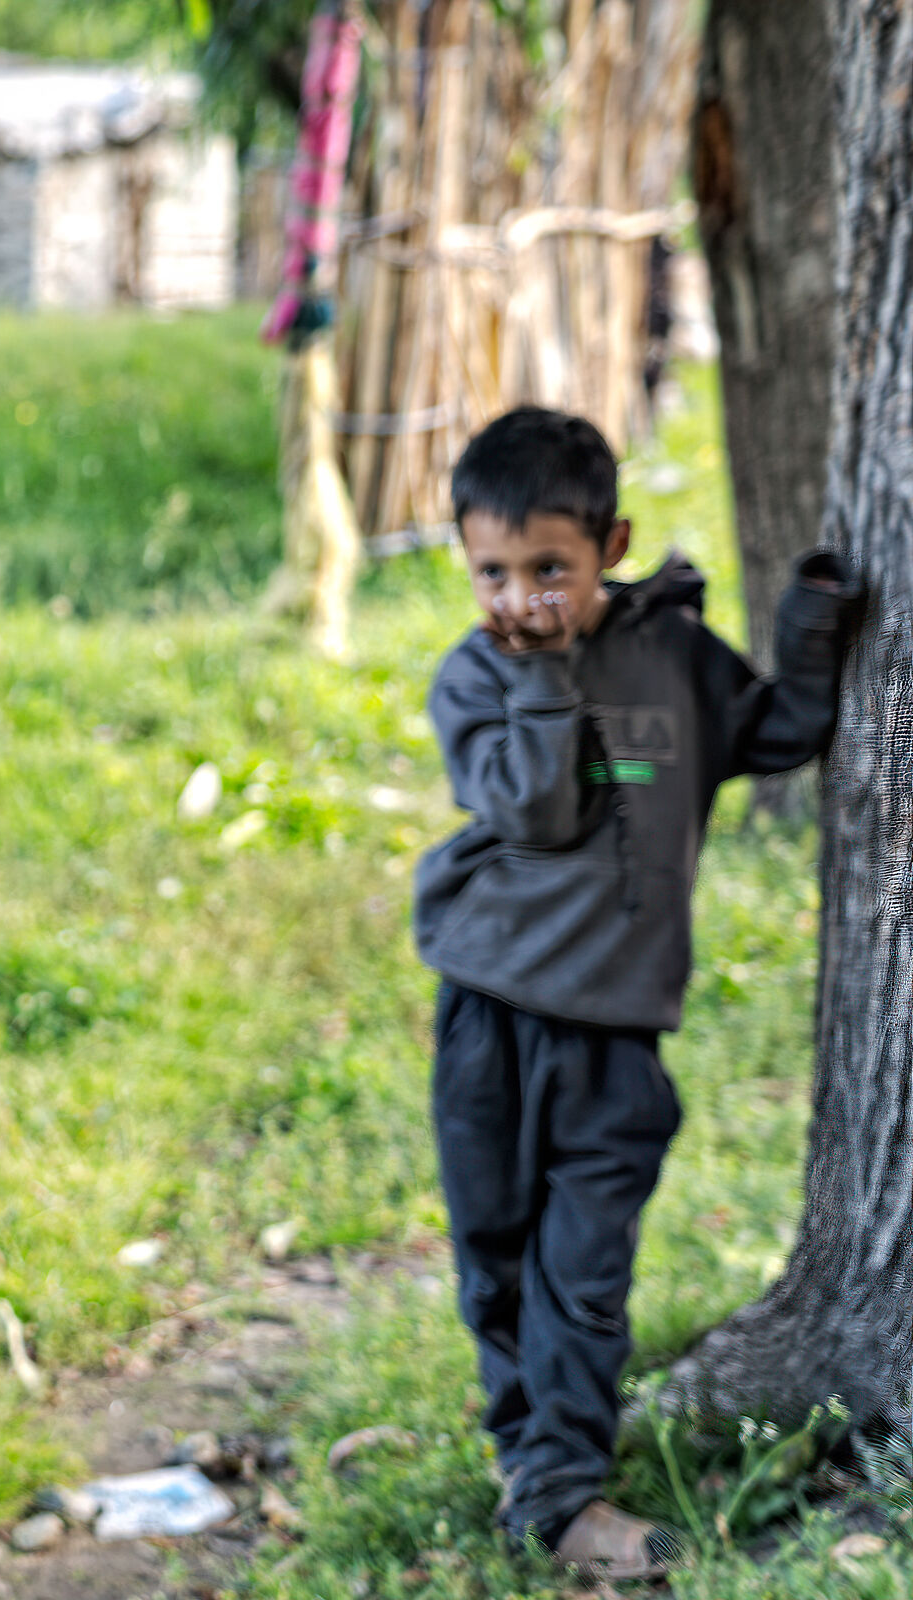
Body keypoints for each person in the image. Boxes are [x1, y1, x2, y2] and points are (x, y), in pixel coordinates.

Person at [415, 407, 859, 1580]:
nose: (522, 600)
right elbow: (536, 809)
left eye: (549, 569)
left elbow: (783, 730)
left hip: (615, 1035)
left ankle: (563, 1489)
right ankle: (538, 1466)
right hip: (491, 1015)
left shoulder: (677, 658)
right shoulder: (476, 678)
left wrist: (814, 623)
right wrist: (550, 673)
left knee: (586, 1269)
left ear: (610, 543)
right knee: (498, 1256)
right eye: (493, 573)